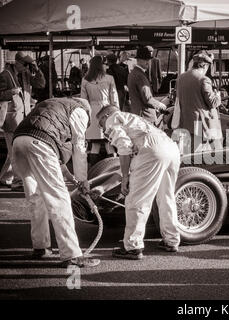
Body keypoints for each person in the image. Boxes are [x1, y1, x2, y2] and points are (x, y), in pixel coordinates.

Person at [12, 97, 100, 267]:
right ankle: (71, 254)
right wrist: (83, 181)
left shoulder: (53, 104)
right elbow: (79, 146)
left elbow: (55, 158)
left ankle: (41, 246)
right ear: (87, 110)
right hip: (41, 142)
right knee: (59, 198)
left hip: (19, 140)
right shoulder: (80, 110)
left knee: (36, 198)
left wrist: (72, 178)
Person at [95, 106, 181, 259]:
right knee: (166, 197)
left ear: (106, 115)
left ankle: (133, 246)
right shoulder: (133, 118)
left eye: (99, 121)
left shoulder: (113, 118)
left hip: (151, 151)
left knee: (137, 200)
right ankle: (171, 239)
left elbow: (124, 147)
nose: (100, 127)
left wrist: (125, 177)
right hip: (171, 149)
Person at [0, 51, 45, 191]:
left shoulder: (26, 74)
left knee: (12, 150)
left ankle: (5, 178)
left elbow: (41, 84)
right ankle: (18, 181)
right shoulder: (5, 75)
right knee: (15, 151)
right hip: (12, 119)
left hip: (24, 118)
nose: (27, 67)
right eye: (25, 64)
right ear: (17, 62)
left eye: (28, 64)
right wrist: (10, 92)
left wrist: (36, 69)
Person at [177, 52, 222, 152]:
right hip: (202, 125)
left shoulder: (181, 78)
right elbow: (212, 103)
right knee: (204, 156)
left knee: (190, 153)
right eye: (208, 67)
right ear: (204, 65)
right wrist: (218, 96)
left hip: (186, 122)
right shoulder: (203, 79)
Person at [81, 55, 119, 163]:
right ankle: (113, 168)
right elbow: (114, 98)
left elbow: (83, 100)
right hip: (107, 111)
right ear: (101, 65)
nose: (106, 66)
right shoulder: (109, 78)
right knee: (109, 143)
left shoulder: (85, 80)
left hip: (92, 112)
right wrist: (117, 112)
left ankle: (93, 172)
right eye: (105, 64)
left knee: (95, 145)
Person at [127, 46, 166, 125]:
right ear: (138, 60)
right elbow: (147, 99)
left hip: (138, 114)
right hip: (146, 117)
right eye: (145, 59)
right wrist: (160, 105)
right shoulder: (140, 76)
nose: (148, 62)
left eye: (149, 59)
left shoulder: (133, 73)